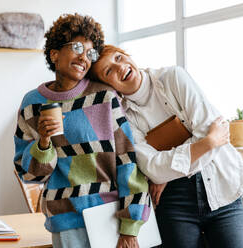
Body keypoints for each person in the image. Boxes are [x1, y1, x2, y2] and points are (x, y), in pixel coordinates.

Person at [89, 45, 243, 248]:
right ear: (108, 86)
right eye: (109, 71)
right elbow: (152, 168)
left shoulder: (174, 77)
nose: (120, 67)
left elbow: (207, 131)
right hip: (175, 201)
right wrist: (207, 142)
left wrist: (168, 172)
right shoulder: (124, 117)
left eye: (119, 57)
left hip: (221, 185)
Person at [13, 15, 150, 248]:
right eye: (77, 47)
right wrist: (44, 143)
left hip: (111, 218)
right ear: (54, 54)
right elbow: (28, 175)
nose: (84, 57)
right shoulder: (32, 104)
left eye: (90, 53)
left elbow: (127, 161)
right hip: (65, 222)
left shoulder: (105, 97)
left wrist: (131, 226)